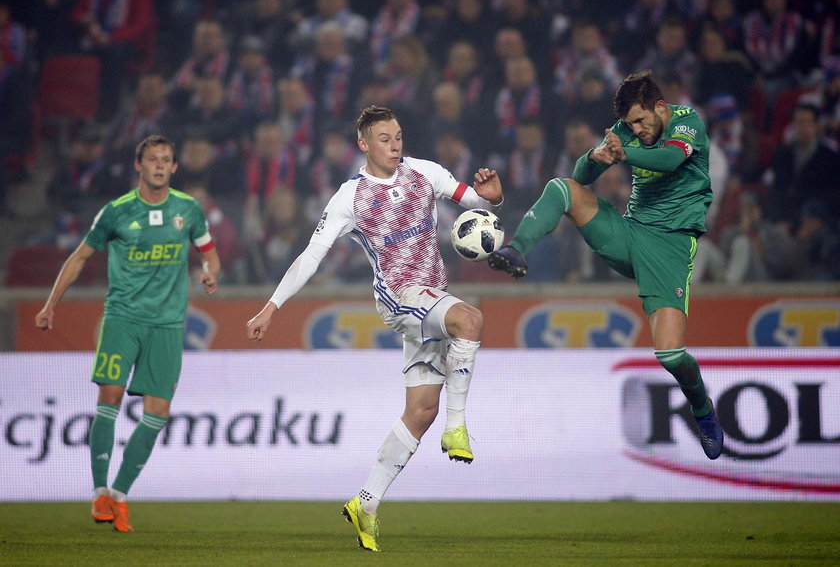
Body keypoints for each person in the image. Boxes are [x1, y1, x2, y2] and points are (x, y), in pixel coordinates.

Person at [245, 105, 503, 552]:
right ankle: (457, 426)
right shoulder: (350, 197)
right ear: (364, 144)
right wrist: (271, 307)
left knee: (420, 413)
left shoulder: (423, 172)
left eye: (398, 135)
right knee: (472, 319)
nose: (395, 143)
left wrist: (491, 198)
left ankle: (365, 503)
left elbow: (474, 202)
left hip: (431, 299)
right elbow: (311, 256)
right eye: (384, 138)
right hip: (401, 298)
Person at [488, 71, 724, 461]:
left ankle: (704, 411)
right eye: (630, 124)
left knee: (670, 355)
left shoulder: (687, 122)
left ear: (660, 108)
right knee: (562, 186)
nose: (636, 130)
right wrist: (594, 157)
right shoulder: (625, 131)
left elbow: (667, 160)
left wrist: (624, 152)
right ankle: (516, 250)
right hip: (630, 235)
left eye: (641, 122)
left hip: (671, 247)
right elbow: (583, 177)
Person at [34, 135, 221, 532]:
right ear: (139, 165)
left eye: (166, 160)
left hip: (168, 325)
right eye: (152, 159)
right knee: (110, 397)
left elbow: (209, 252)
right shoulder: (116, 212)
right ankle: (99, 491)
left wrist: (210, 272)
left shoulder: (188, 210)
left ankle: (119, 496)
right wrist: (51, 304)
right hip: (122, 318)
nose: (159, 165)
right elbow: (80, 256)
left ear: (174, 167)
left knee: (158, 412)